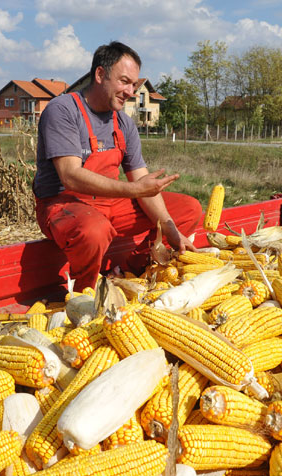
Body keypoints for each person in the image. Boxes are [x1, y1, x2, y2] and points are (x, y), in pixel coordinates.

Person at [33, 41, 202, 290]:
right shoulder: (64, 110)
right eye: (124, 81)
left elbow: (141, 180)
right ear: (100, 74)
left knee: (188, 209)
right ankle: (85, 293)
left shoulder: (123, 123)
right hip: (65, 205)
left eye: (134, 84)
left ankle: (131, 272)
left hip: (110, 203)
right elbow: (70, 175)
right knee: (94, 230)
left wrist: (170, 229)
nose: (131, 91)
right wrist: (135, 190)